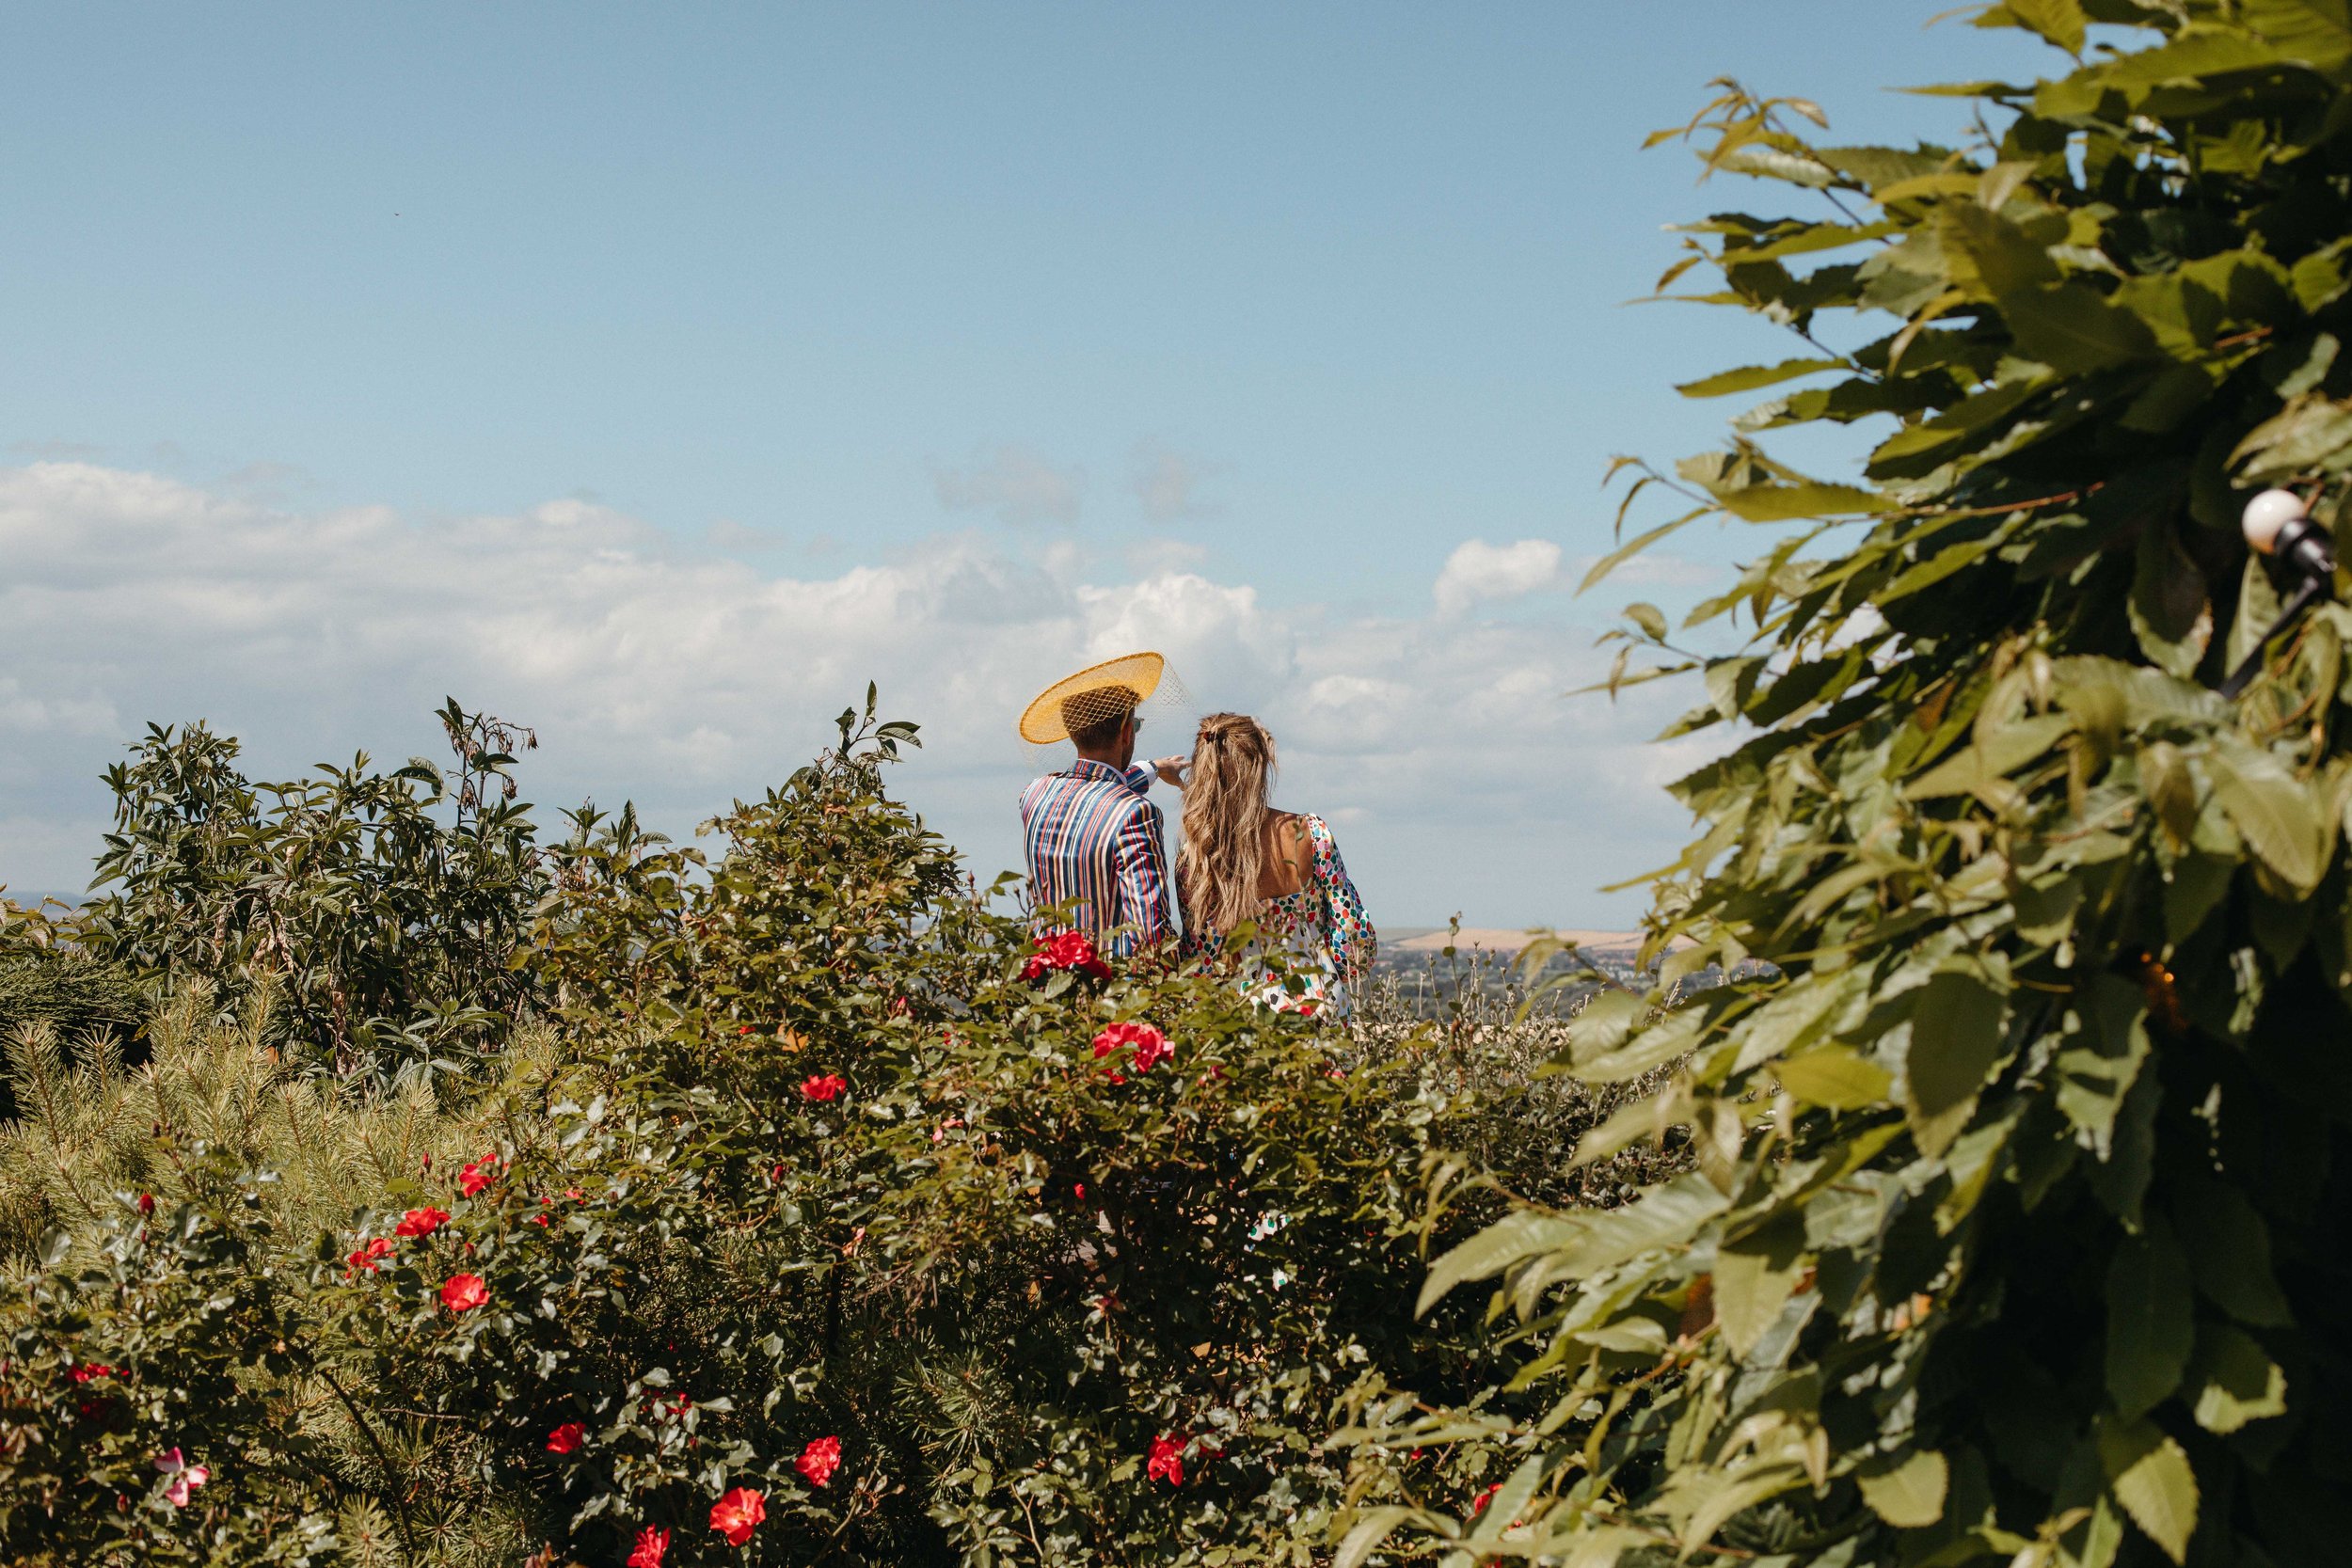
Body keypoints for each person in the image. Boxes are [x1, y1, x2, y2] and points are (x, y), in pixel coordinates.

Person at [1175, 712, 1375, 1013]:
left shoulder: (1196, 856)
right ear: (1260, 767)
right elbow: (1353, 937)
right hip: (1315, 1002)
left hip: (1238, 1012)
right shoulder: (1309, 833)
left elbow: (1202, 961)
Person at [1017, 655, 1189, 958]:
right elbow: (1151, 930)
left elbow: (1092, 794)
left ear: (1072, 733)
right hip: (1110, 986)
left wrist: (1153, 768)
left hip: (1047, 979)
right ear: (1125, 733)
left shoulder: (1034, 795)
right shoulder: (1136, 813)